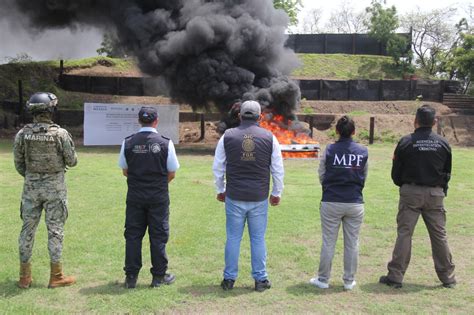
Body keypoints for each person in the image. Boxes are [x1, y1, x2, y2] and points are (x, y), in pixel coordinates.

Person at [380, 105, 456, 289]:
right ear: (434, 122)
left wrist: (404, 185)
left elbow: (396, 172)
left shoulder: (406, 142)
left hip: (411, 192)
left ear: (415, 121)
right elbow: (447, 171)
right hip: (435, 193)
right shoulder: (443, 143)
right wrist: (440, 189)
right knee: (439, 236)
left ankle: (396, 276)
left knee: (405, 234)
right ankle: (448, 277)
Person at [212, 100, 284, 292]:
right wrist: (277, 192)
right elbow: (278, 168)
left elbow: (218, 167)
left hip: (234, 195)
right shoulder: (270, 137)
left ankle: (229, 279)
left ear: (239, 116)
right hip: (259, 197)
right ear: (260, 117)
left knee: (233, 238)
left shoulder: (227, 136)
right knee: (258, 239)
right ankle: (260, 280)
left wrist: (220, 190)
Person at [13, 92, 78, 289]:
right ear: (51, 110)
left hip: (31, 190)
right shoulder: (60, 134)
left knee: (27, 231)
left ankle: (24, 278)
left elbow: (18, 164)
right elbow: (72, 161)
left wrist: (33, 177)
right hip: (55, 190)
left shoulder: (23, 134)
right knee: (55, 231)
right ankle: (56, 276)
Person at [118, 106, 180, 289]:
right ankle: (159, 277)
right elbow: (172, 173)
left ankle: (131, 277)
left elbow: (125, 170)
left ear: (139, 121)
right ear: (156, 121)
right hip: (158, 197)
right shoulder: (165, 143)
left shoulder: (128, 142)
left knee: (133, 236)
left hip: (135, 196)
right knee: (158, 236)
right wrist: (157, 185)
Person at [310, 116, 368, 291]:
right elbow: (363, 176)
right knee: (352, 243)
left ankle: (323, 279)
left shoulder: (329, 150)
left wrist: (329, 187)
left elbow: (322, 174)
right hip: (355, 201)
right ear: (354, 132)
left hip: (331, 200)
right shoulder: (363, 151)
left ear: (336, 131)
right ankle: (349, 281)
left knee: (328, 242)